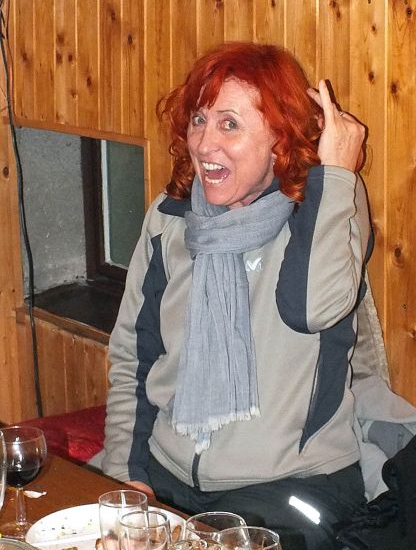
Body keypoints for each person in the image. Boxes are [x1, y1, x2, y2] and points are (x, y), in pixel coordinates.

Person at [102, 42, 372, 549]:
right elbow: (134, 357)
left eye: (230, 124)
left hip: (289, 488)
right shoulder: (170, 217)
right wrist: (126, 473)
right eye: (198, 119)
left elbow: (311, 309)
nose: (205, 144)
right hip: (166, 474)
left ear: (280, 138)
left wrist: (335, 175)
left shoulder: (325, 208)